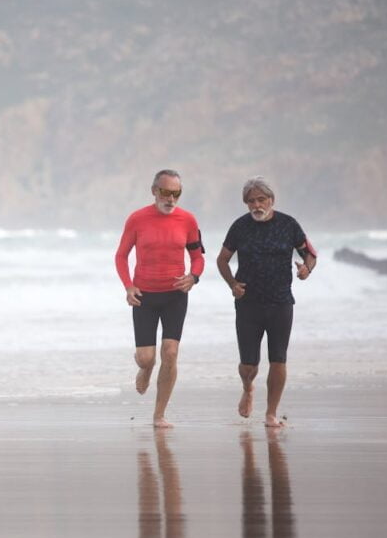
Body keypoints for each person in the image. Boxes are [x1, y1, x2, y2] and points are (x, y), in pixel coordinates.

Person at [216, 176, 316, 428]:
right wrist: (232, 284)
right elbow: (222, 260)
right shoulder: (240, 227)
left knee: (278, 359)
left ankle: (271, 413)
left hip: (281, 301)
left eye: (261, 199)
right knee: (248, 365)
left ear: (271, 200)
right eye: (251, 201)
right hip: (248, 303)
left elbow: (310, 253)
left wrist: (306, 269)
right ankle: (248, 388)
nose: (256, 205)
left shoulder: (288, 224)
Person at [115, 169, 205, 429]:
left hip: (176, 295)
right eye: (165, 192)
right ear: (154, 191)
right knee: (146, 358)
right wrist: (129, 286)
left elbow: (198, 257)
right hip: (144, 295)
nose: (171, 199)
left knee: (171, 352)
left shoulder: (188, 220)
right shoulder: (137, 219)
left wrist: (194, 277)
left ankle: (159, 415)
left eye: (176, 193)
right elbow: (121, 256)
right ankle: (145, 368)